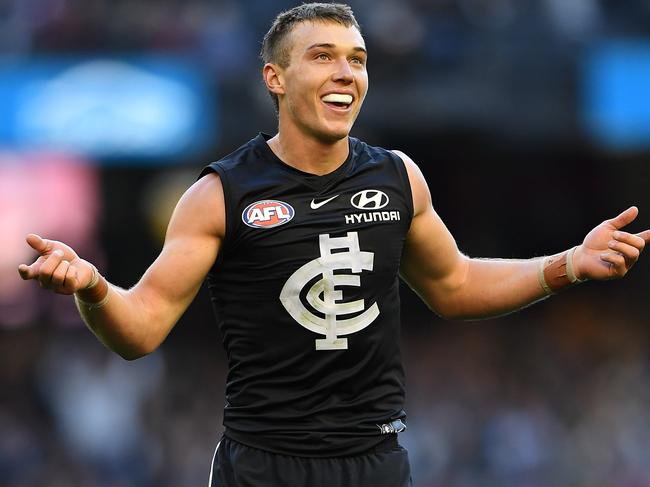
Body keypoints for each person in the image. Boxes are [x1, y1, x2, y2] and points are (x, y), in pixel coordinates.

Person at [18, 3, 649, 486]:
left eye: (358, 58)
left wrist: (568, 265)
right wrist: (94, 288)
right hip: (264, 467)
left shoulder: (398, 177)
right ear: (275, 77)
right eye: (323, 56)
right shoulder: (220, 195)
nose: (346, 71)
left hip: (374, 462)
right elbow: (141, 331)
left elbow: (454, 286)